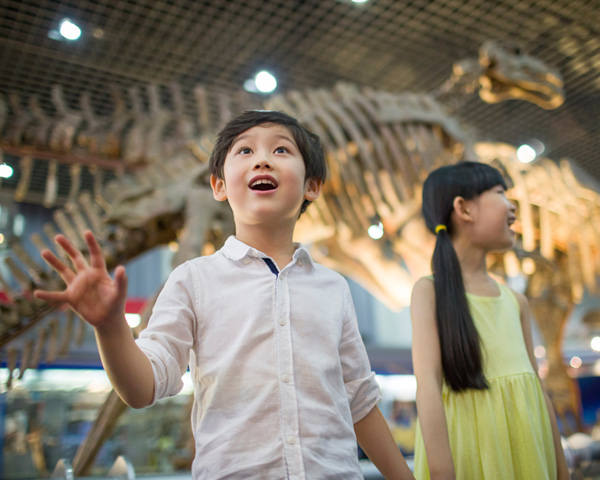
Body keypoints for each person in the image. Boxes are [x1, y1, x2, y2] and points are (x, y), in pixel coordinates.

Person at [34, 110, 414, 479]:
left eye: (281, 150)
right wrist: (111, 327)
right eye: (245, 151)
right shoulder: (192, 279)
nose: (263, 159)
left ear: (312, 185)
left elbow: (359, 402)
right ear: (218, 185)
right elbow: (143, 386)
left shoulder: (333, 288)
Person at [410, 161, 570, 479]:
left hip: (526, 455)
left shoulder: (516, 301)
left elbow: (537, 391)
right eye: (500, 193)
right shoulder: (429, 292)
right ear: (464, 208)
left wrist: (562, 471)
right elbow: (427, 386)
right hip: (466, 455)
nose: (512, 208)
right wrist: (443, 474)